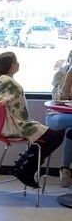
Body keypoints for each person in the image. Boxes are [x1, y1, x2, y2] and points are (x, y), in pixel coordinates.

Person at [0, 51, 64, 188]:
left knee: (53, 136)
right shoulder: (7, 82)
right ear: (13, 65)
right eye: (17, 61)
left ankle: (21, 166)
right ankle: (26, 169)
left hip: (10, 125)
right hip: (15, 127)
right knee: (56, 137)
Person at [46, 49, 72, 188]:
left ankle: (65, 169)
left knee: (71, 131)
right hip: (56, 116)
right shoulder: (61, 74)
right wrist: (69, 76)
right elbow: (58, 98)